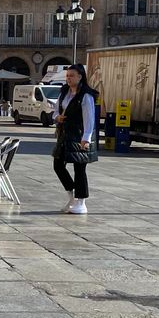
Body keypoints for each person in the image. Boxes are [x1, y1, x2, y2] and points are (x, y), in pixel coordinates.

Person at [53, 63, 98, 215]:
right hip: (65, 134)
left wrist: (86, 138)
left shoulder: (85, 95)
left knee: (79, 168)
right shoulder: (64, 92)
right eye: (67, 76)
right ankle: (71, 196)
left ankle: (81, 202)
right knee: (58, 165)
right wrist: (57, 117)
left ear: (80, 77)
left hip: (79, 135)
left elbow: (89, 118)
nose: (69, 79)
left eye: (72, 76)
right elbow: (56, 109)